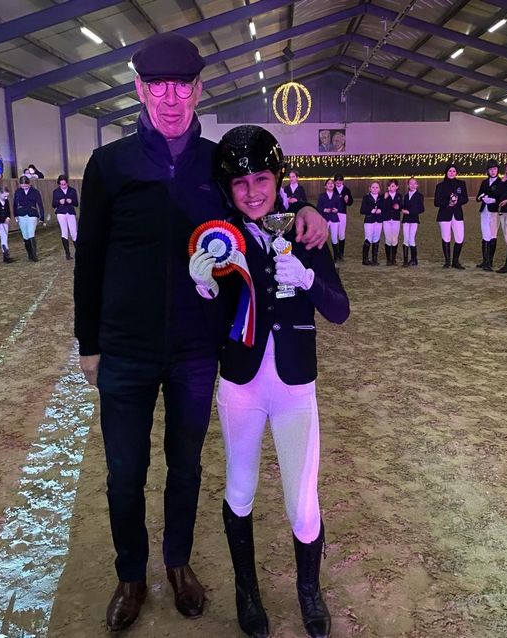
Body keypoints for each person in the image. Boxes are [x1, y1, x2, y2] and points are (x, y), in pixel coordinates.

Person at [72, 32, 328, 633]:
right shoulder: (109, 164)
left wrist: (307, 207)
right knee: (125, 473)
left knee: (185, 466)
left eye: (181, 86)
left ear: (198, 90)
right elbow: (90, 260)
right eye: (158, 86)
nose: (170, 98)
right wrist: (90, 343)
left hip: (195, 349)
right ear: (140, 89)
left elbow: (263, 197)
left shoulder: (215, 163)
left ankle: (178, 562)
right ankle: (131, 575)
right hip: (125, 350)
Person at [189, 124, 348, 638]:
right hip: (242, 383)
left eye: (262, 178)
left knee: (302, 501)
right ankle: (247, 591)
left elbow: (339, 309)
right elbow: (208, 326)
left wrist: (307, 277)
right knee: (241, 488)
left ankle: (309, 591)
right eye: (240, 182)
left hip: (295, 384)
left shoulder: (304, 232)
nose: (253, 191)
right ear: (227, 189)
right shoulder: (220, 241)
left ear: (278, 179)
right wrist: (204, 289)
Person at [434, 163, 468, 269]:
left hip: (457, 214)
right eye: (450, 171)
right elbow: (436, 202)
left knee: (460, 237)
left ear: (456, 172)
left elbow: (465, 198)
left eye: (454, 171)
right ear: (446, 172)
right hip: (444, 214)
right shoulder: (440, 186)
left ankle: (456, 261)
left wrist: (457, 201)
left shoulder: (461, 184)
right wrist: (448, 203)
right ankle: (447, 261)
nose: (452, 173)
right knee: (446, 237)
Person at [476, 159, 502, 271]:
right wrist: (481, 197)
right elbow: (478, 197)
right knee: (485, 235)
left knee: (493, 235)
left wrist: (494, 200)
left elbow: (502, 197)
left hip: (495, 212)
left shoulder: (501, 182)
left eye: (494, 169)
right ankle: (485, 261)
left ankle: (490, 261)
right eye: (490, 169)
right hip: (484, 210)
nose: (492, 171)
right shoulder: (484, 182)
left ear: (497, 170)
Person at [13, 176, 44, 262]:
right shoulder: (18, 192)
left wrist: (42, 217)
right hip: (21, 214)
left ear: (29, 184)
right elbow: (15, 204)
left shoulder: (35, 192)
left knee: (31, 234)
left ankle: (34, 255)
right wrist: (15, 214)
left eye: (25, 186)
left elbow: (40, 204)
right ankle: (29, 254)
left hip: (32, 214)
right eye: (22, 186)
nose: (24, 188)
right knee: (25, 236)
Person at [53, 174, 79, 260]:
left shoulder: (72, 190)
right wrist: (58, 202)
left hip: (70, 212)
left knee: (74, 232)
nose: (63, 186)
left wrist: (71, 201)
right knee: (64, 232)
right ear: (59, 184)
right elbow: (53, 204)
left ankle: (78, 252)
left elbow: (76, 203)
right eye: (61, 184)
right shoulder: (56, 192)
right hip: (61, 212)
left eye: (64, 184)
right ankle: (67, 254)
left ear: (67, 183)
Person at [317, 177, 344, 259]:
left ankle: (336, 256)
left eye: (332, 183)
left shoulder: (337, 196)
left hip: (334, 219)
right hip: (325, 219)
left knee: (334, 238)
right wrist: (324, 209)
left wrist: (337, 210)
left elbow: (340, 207)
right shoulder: (321, 196)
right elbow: (318, 207)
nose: (330, 185)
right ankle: (323, 255)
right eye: (328, 183)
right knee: (323, 237)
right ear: (325, 186)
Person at [401, 177, 423, 267]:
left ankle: (414, 259)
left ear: (417, 185)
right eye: (410, 184)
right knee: (405, 239)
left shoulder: (419, 196)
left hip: (414, 219)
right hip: (406, 219)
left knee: (411, 239)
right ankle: (405, 260)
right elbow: (403, 206)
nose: (412, 185)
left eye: (414, 183)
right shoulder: (406, 196)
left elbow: (421, 209)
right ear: (408, 185)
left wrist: (410, 212)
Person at [360, 181, 383, 266]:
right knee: (368, 238)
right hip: (369, 221)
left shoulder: (381, 198)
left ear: (379, 189)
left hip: (379, 221)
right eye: (373, 187)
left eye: (377, 187)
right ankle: (365, 259)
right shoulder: (366, 198)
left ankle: (374, 259)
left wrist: (381, 210)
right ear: (369, 188)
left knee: (376, 239)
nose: (375, 189)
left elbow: (384, 208)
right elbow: (362, 210)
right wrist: (370, 211)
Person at [381, 179, 403, 266]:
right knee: (388, 239)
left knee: (394, 239)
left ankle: (393, 259)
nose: (390, 188)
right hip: (386, 219)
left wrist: (399, 207)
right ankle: (388, 259)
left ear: (397, 187)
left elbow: (402, 206)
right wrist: (384, 199)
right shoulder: (384, 195)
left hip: (395, 219)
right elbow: (381, 206)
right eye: (389, 186)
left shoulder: (399, 196)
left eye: (393, 186)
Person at [333, 173, 352, 261]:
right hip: (333, 214)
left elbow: (350, 202)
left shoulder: (346, 190)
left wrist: (347, 200)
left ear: (343, 181)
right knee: (334, 234)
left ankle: (341, 253)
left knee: (341, 234)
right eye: (337, 182)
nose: (338, 184)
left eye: (340, 182)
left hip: (342, 213)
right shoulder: (332, 189)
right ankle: (336, 254)